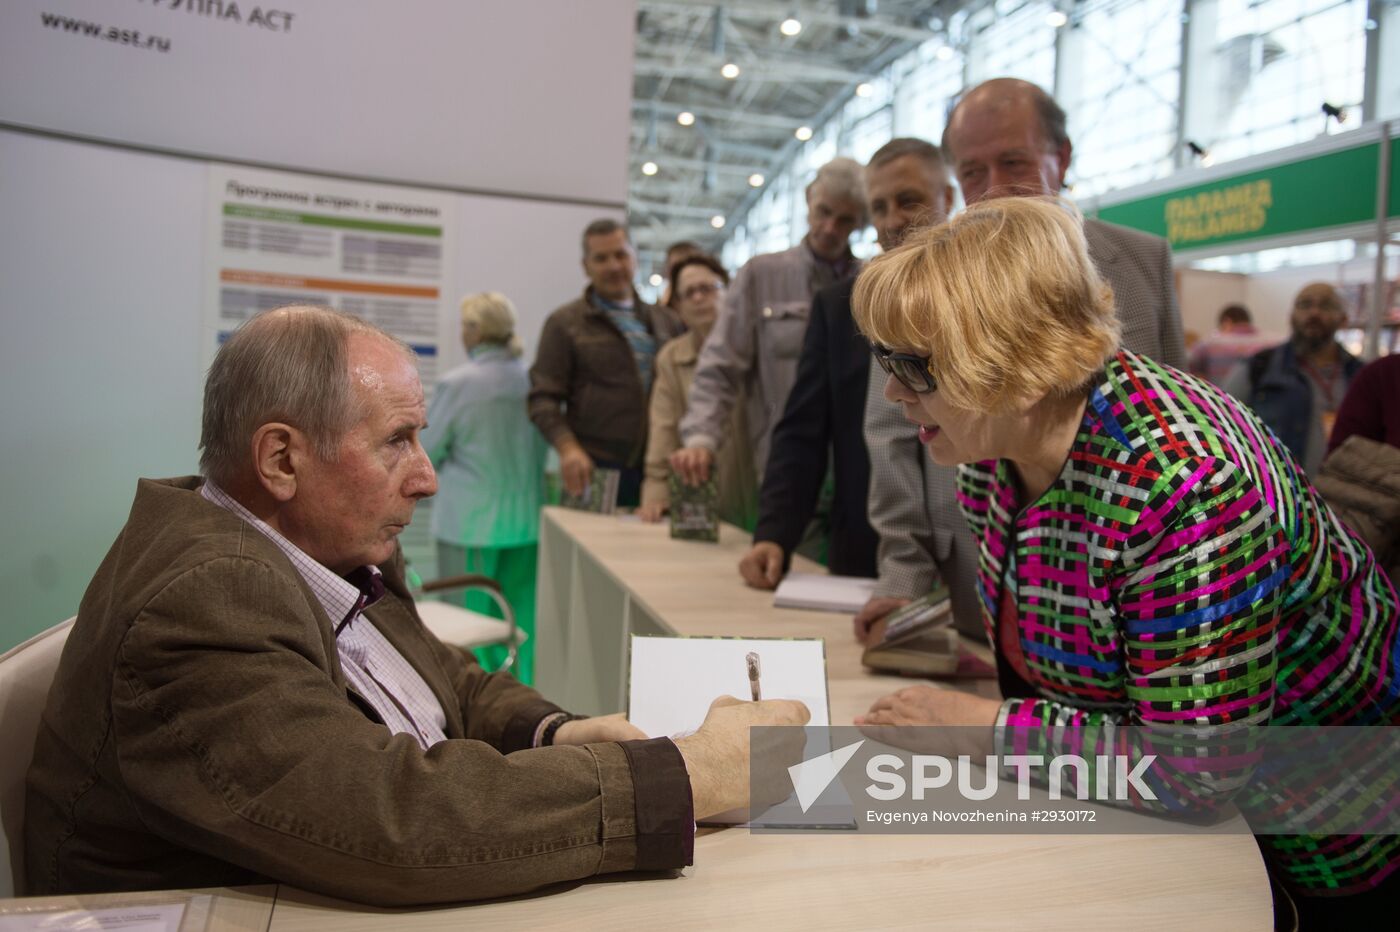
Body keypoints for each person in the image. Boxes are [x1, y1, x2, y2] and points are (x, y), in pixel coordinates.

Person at [25, 305, 808, 905]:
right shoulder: (206, 600)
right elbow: (389, 819)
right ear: (282, 458)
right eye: (397, 440)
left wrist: (557, 730)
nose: (427, 476)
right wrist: (687, 773)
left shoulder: (326, 545)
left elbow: (443, 678)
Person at [851, 197, 1398, 923]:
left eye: (916, 368)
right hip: (1139, 827)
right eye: (887, 361)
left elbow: (1196, 771)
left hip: (1314, 836)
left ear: (1024, 369)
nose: (892, 392)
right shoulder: (993, 447)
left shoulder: (1186, 487)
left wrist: (972, 726)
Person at [856, 78, 1189, 641]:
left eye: (1013, 162)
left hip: (1133, 568)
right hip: (980, 568)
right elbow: (893, 432)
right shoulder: (927, 279)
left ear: (1062, 157)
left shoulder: (1141, 260)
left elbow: (1171, 398)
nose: (991, 189)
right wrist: (904, 573)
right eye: (971, 172)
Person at [737, 138, 955, 589]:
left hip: (974, 562)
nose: (893, 220)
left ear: (948, 199)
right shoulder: (840, 308)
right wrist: (775, 533)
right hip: (864, 553)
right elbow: (802, 429)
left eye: (908, 201)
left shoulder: (990, 300)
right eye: (879, 207)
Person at [671, 157, 868, 491]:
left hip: (856, 475)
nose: (830, 228)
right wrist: (701, 437)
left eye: (845, 219)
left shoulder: (870, 284)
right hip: (782, 470)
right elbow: (720, 365)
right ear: (808, 200)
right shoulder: (760, 276)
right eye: (824, 212)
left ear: (861, 223)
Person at [422, 292, 546, 683]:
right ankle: (521, 705)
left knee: (465, 627)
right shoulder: (533, 382)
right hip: (526, 525)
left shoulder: (457, 384)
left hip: (471, 526)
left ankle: (467, 712)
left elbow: (427, 450)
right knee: (520, 625)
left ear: (476, 331)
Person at [529, 219, 683, 508]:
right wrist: (568, 448)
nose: (613, 266)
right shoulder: (564, 323)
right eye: (601, 258)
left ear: (634, 257)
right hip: (595, 471)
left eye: (620, 255)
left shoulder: (668, 322)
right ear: (586, 266)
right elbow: (542, 399)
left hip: (659, 470)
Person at [638, 254, 758, 527]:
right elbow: (663, 429)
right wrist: (656, 492)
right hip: (706, 500)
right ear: (677, 307)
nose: (698, 298)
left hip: (763, 489)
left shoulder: (758, 345)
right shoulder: (671, 357)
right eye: (688, 293)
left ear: (728, 293)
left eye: (708, 288)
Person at [1224, 282, 1361, 476]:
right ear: (1291, 316)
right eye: (1305, 305)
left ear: (1344, 319)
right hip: (1277, 493)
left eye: (1326, 305)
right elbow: (1220, 426)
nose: (1314, 313)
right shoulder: (1259, 368)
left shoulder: (1360, 375)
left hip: (1340, 498)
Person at [1187, 303, 1273, 386]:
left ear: (1226, 322)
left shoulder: (1208, 343)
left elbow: (1187, 369)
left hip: (1221, 398)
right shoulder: (1271, 343)